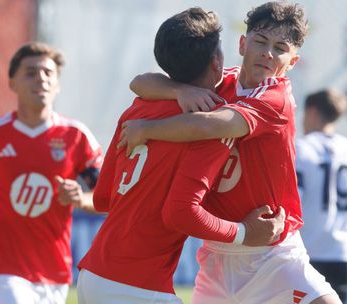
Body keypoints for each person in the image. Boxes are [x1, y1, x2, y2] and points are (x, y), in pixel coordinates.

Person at [121, 2, 342, 304]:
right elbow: (140, 83)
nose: (267, 53)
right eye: (260, 41)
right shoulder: (221, 80)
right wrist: (179, 91)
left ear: (292, 62)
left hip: (272, 253)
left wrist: (147, 129)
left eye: (280, 48)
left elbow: (210, 126)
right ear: (242, 43)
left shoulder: (276, 98)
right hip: (217, 253)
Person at [77, 7, 284, 304]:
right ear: (216, 60)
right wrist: (245, 233)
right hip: (137, 287)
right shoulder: (209, 122)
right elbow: (180, 212)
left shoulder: (136, 109)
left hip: (92, 276)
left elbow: (102, 198)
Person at [0, 42, 103, 304]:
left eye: (48, 73)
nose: (40, 78)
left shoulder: (76, 136)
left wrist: (81, 199)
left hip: (55, 274)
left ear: (57, 85)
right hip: (2, 271)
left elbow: (105, 194)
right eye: (30, 72)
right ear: (12, 83)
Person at [296, 88, 347, 304]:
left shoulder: (301, 148)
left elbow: (294, 201)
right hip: (344, 254)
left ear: (311, 111)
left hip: (306, 253)